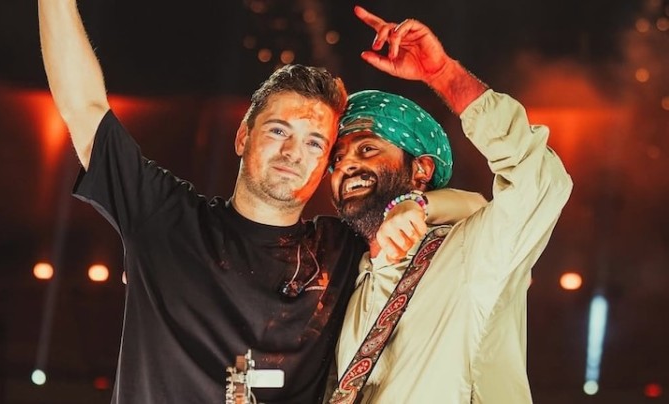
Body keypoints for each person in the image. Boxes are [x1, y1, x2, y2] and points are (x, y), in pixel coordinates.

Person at [38, 1, 485, 403]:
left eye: (315, 142)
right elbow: (84, 107)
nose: (293, 153)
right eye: (278, 131)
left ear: (325, 164)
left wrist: (416, 206)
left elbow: (479, 208)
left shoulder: (342, 248)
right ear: (243, 137)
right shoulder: (166, 218)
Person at [328, 6, 573, 403]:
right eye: (337, 159)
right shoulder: (348, 279)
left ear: (421, 169)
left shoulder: (469, 254)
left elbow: (539, 180)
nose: (346, 166)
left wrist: (443, 74)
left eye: (367, 148)